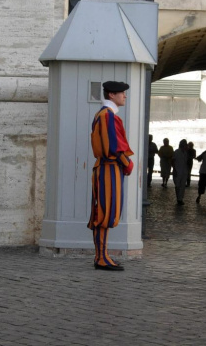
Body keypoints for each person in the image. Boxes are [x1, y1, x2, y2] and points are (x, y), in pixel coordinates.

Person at [88, 81, 134, 271]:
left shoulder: (103, 114)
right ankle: (101, 258)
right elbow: (113, 148)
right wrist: (127, 163)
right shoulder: (108, 116)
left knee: (103, 212)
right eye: (122, 93)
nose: (125, 96)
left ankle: (102, 255)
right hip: (109, 168)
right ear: (112, 95)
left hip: (106, 168)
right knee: (105, 214)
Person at [172, 139, 189, 205]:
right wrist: (174, 169)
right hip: (178, 170)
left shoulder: (185, 153)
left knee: (182, 186)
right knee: (177, 185)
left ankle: (180, 198)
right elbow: (173, 161)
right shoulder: (176, 152)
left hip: (184, 171)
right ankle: (178, 198)